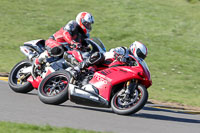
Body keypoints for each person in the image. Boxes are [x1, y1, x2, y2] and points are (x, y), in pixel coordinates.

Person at [69, 41, 148, 78]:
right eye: (140, 54)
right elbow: (115, 51)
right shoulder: (124, 50)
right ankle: (78, 68)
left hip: (109, 72)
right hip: (105, 62)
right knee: (98, 55)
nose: (140, 57)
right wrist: (120, 56)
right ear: (135, 49)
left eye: (142, 57)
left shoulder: (131, 63)